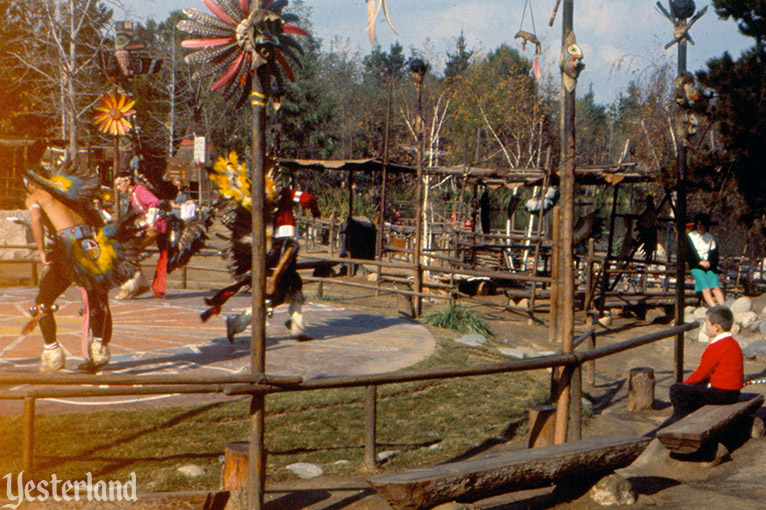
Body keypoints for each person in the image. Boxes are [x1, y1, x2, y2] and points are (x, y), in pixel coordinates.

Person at [24, 168, 130, 372]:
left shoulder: (36, 196)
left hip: (68, 248)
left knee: (42, 303)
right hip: (92, 246)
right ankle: (99, 351)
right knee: (97, 299)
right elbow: (96, 219)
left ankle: (52, 353)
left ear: (31, 183)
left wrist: (41, 251)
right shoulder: (71, 195)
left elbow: (36, 220)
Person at [668, 305, 743, 422]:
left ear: (716, 327)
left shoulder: (716, 346)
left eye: (707, 323)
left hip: (721, 395)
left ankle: (681, 421)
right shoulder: (733, 343)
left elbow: (702, 373)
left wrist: (686, 384)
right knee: (697, 389)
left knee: (676, 389)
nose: (705, 327)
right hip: (733, 393)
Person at [114, 171, 168, 299]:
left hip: (156, 226)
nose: (117, 187)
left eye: (119, 183)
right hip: (154, 226)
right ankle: (140, 283)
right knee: (129, 250)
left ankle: (130, 286)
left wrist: (149, 222)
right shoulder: (134, 194)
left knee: (128, 249)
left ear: (127, 181)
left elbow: (154, 201)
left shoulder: (139, 190)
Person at [686, 212, 725, 307]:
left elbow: (714, 254)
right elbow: (689, 253)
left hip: (709, 266)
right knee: (706, 288)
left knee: (716, 288)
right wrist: (699, 262)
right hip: (696, 265)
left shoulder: (710, 238)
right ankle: (715, 308)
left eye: (702, 224)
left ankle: (724, 308)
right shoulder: (690, 236)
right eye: (698, 224)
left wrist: (709, 263)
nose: (699, 226)